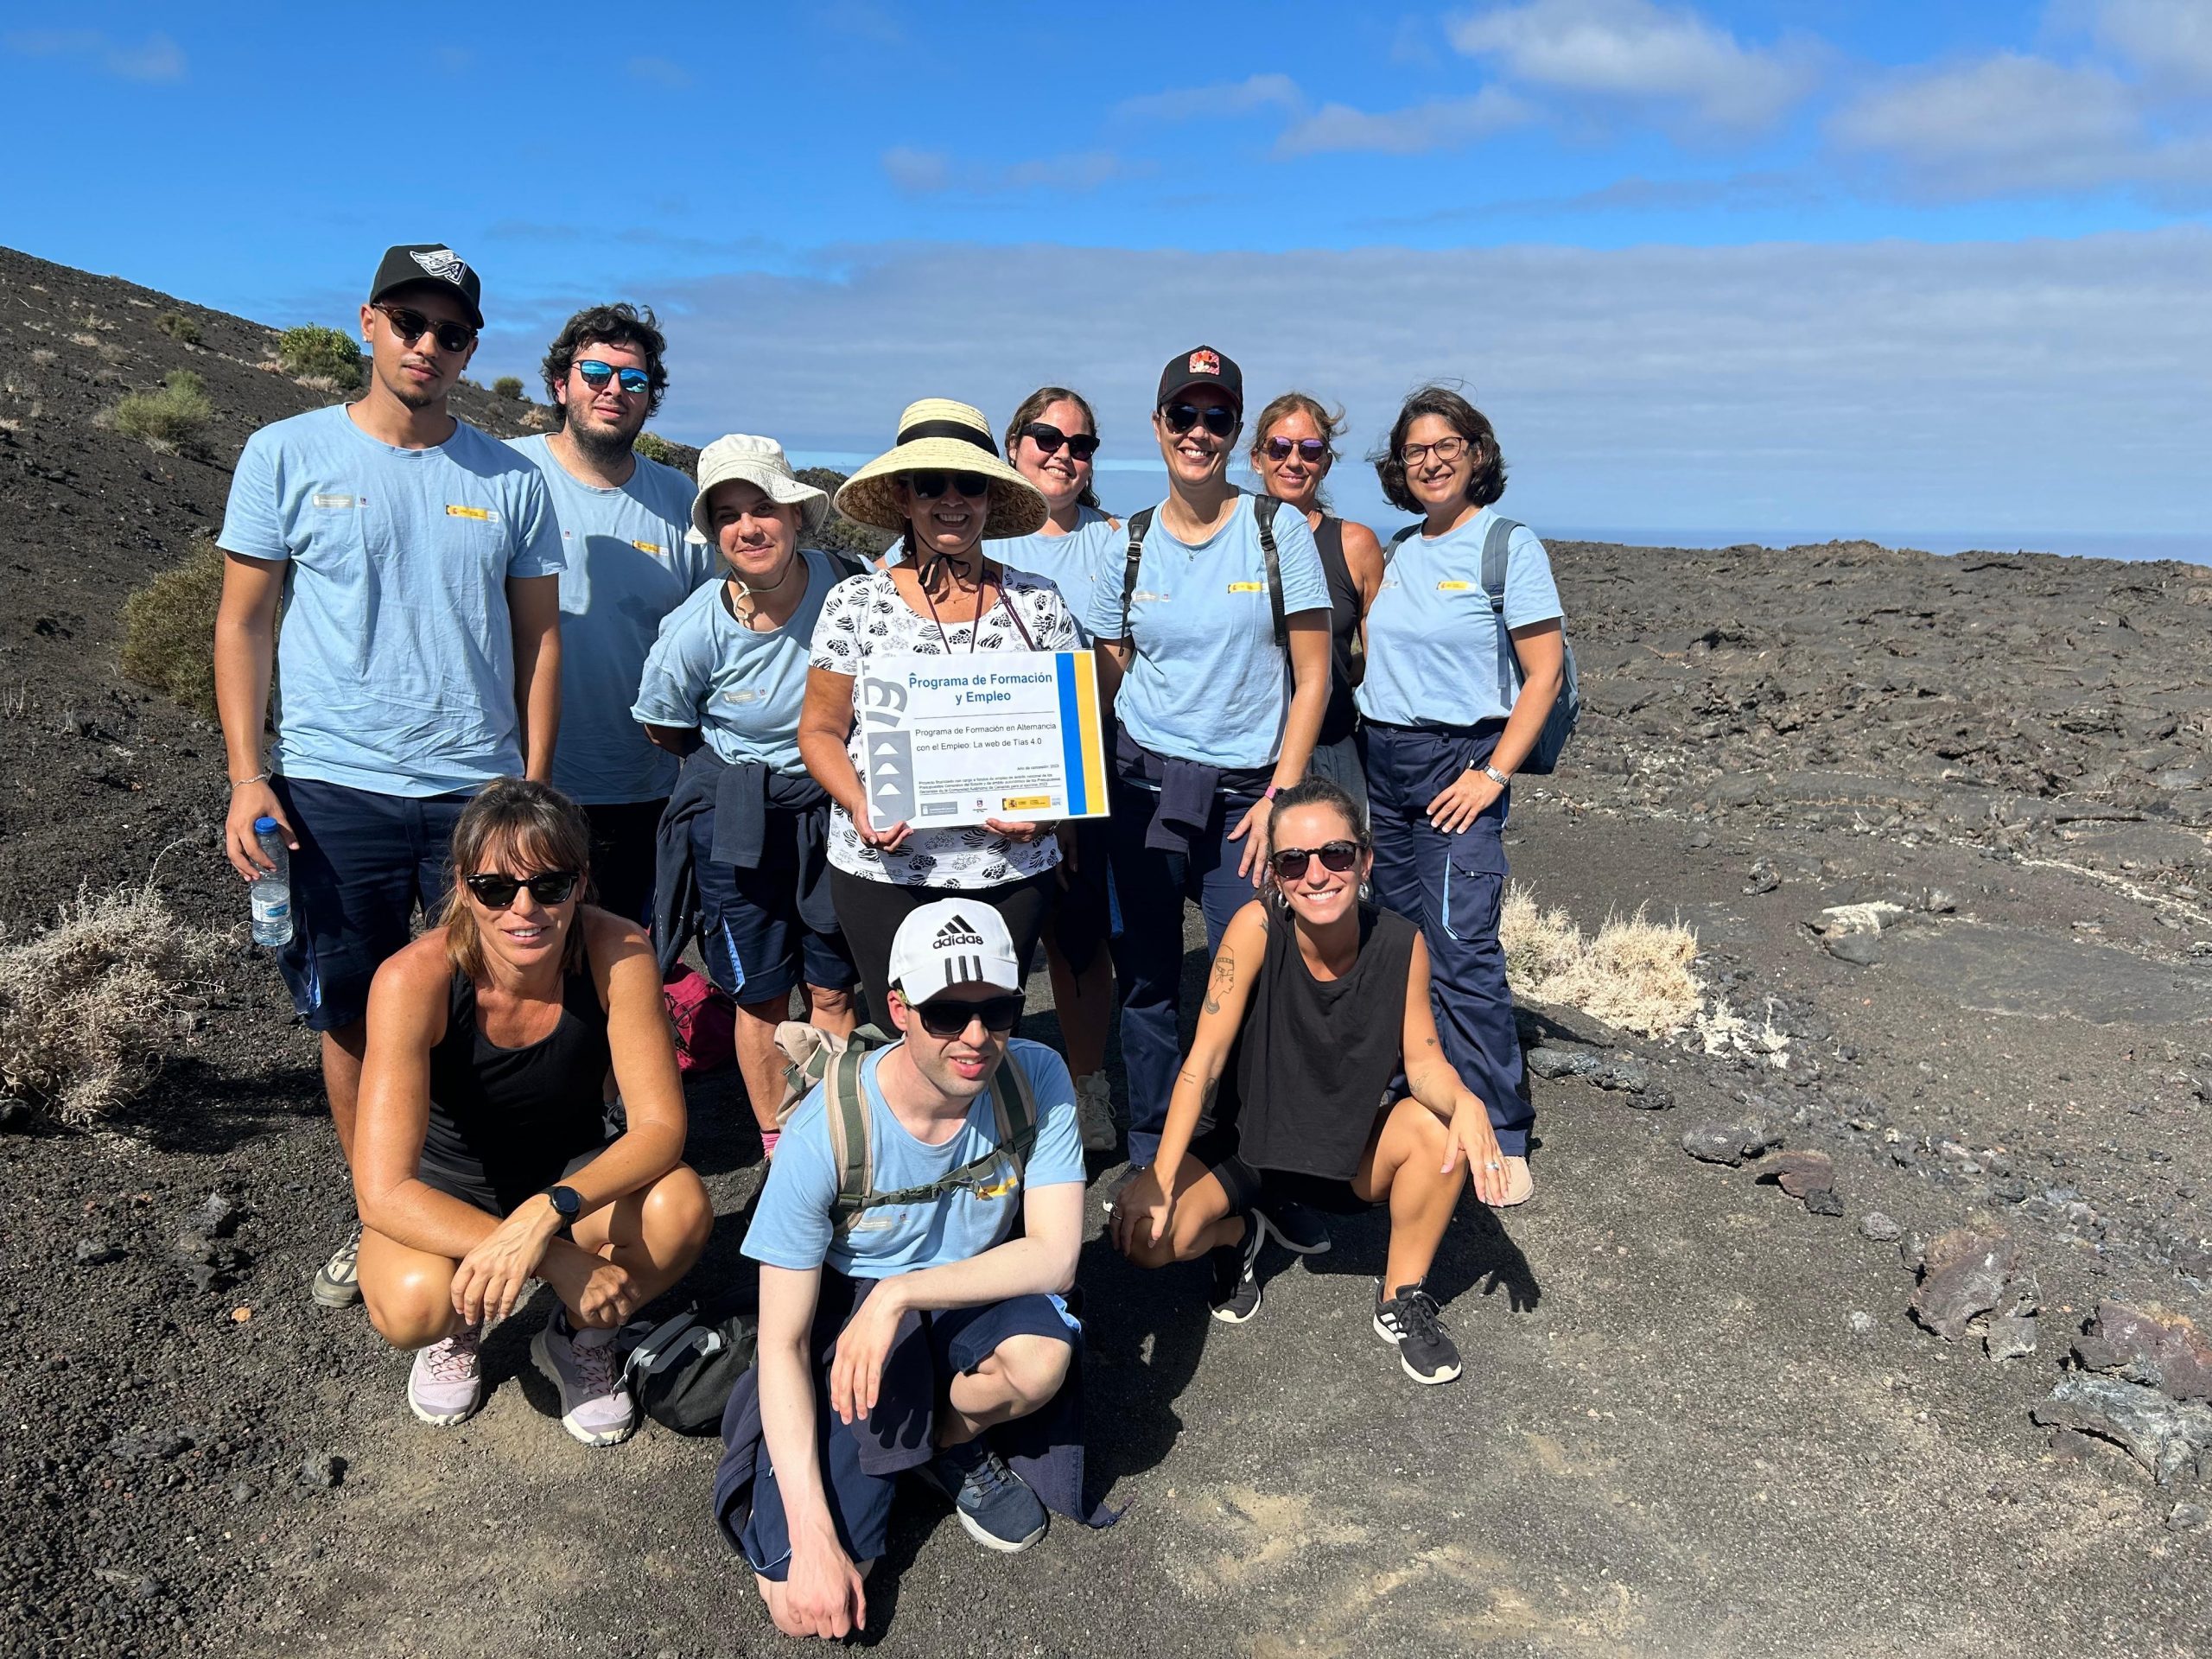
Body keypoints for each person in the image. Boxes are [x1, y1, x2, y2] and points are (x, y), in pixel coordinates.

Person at [213, 244, 564, 1309]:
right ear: (367, 323)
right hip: (333, 786)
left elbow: (539, 642)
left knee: (499, 998)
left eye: (450, 332)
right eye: (410, 323)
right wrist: (244, 776)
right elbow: (241, 621)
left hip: (477, 790)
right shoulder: (285, 453)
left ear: (470, 349)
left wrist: (532, 790)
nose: (427, 346)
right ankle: (379, 1208)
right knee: (356, 1013)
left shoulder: (511, 478)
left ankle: (501, 1207)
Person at [715, 900, 1090, 1639]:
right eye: (947, 1013)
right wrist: (814, 1536)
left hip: (959, 1281)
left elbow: (1055, 1256)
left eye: (1000, 1010)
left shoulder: (1036, 1076)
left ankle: (944, 1439)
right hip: (847, 1303)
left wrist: (902, 1293)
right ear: (898, 1008)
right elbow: (783, 1343)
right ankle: (898, 1449)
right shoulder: (826, 1127)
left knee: (1040, 1362)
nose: (977, 1038)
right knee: (804, 1599)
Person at [1109, 777, 1509, 1382]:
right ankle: (1239, 1235)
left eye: (1335, 854)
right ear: (1274, 873)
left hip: (1341, 1150)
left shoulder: (1402, 944)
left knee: (1439, 1126)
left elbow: (1426, 1065)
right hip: (1248, 1145)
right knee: (1143, 1240)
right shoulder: (1256, 928)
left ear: (1365, 860)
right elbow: (1204, 1061)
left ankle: (1403, 1296)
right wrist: (1159, 1174)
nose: (1316, 875)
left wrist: (1468, 1102)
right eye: (1293, 861)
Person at [350, 779, 713, 1443]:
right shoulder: (413, 981)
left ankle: (578, 1334)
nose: (525, 909)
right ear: (464, 887)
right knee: (411, 1308)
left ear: (580, 884)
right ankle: (462, 1324)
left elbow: (661, 1129)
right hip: (450, 1184)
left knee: (681, 1207)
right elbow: (382, 1192)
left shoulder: (620, 952)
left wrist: (547, 1214)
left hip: (572, 1176)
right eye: (496, 888)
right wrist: (554, 1260)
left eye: (549, 886)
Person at [1085, 346, 1332, 1198]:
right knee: (1148, 981)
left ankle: (1234, 1157)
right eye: (1182, 416)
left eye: (1216, 417)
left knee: (1249, 982)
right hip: (1140, 791)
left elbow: (1314, 676)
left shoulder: (1276, 532)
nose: (1198, 432)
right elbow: (1107, 671)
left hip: (1243, 800)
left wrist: (1280, 797)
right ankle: (1155, 1151)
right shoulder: (1128, 542)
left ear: (1234, 432)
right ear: (1156, 426)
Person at [797, 399, 1080, 1026]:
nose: (952, 499)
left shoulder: (1040, 604)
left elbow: (1072, 744)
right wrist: (860, 803)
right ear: (904, 497)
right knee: (907, 1038)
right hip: (884, 872)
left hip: (1011, 870)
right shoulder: (855, 603)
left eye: (970, 484)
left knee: (988, 1036)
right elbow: (818, 731)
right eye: (931, 484)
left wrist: (1048, 816)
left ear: (989, 496)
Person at [1359, 386, 1566, 1207]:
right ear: (1399, 468)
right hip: (1387, 761)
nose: (1432, 460)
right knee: (1404, 941)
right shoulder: (1402, 547)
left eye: (1448, 445)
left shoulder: (1506, 546)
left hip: (1461, 763)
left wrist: (1491, 774)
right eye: (1415, 451)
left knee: (1464, 943)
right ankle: (1433, 1091)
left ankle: (1503, 1130)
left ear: (1479, 453)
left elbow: (1543, 673)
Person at [634, 436, 860, 1149]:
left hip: (834, 809)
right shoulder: (694, 629)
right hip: (740, 816)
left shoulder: (850, 587)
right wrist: (744, 769)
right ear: (713, 533)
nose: (749, 528)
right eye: (728, 515)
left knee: (831, 986)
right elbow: (665, 727)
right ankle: (779, 1144)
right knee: (759, 991)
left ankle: (832, 1135)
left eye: (763, 507)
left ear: (795, 515)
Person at [509, 302, 714, 925]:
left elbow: (709, 634)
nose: (613, 390)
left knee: (621, 959)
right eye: (595, 371)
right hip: (517, 780)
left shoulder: (681, 500)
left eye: (633, 380)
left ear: (651, 397)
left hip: (642, 787)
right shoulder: (508, 475)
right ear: (560, 383)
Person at [995, 386, 1121, 1152]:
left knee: (1079, 948)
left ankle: (1087, 1090)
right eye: (1046, 436)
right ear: (1014, 443)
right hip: (977, 784)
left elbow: (1110, 674)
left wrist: (1068, 797)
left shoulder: (1114, 542)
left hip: (1080, 778)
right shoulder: (970, 529)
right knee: (994, 944)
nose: (1063, 454)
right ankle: (994, 1092)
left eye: (1081, 444)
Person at [1248, 392, 1384, 809]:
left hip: (1331, 751)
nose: (1294, 461)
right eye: (1279, 448)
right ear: (1257, 459)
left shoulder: (1355, 545)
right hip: (1247, 758)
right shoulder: (1229, 538)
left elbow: (1383, 655)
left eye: (1310, 450)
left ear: (1324, 463)